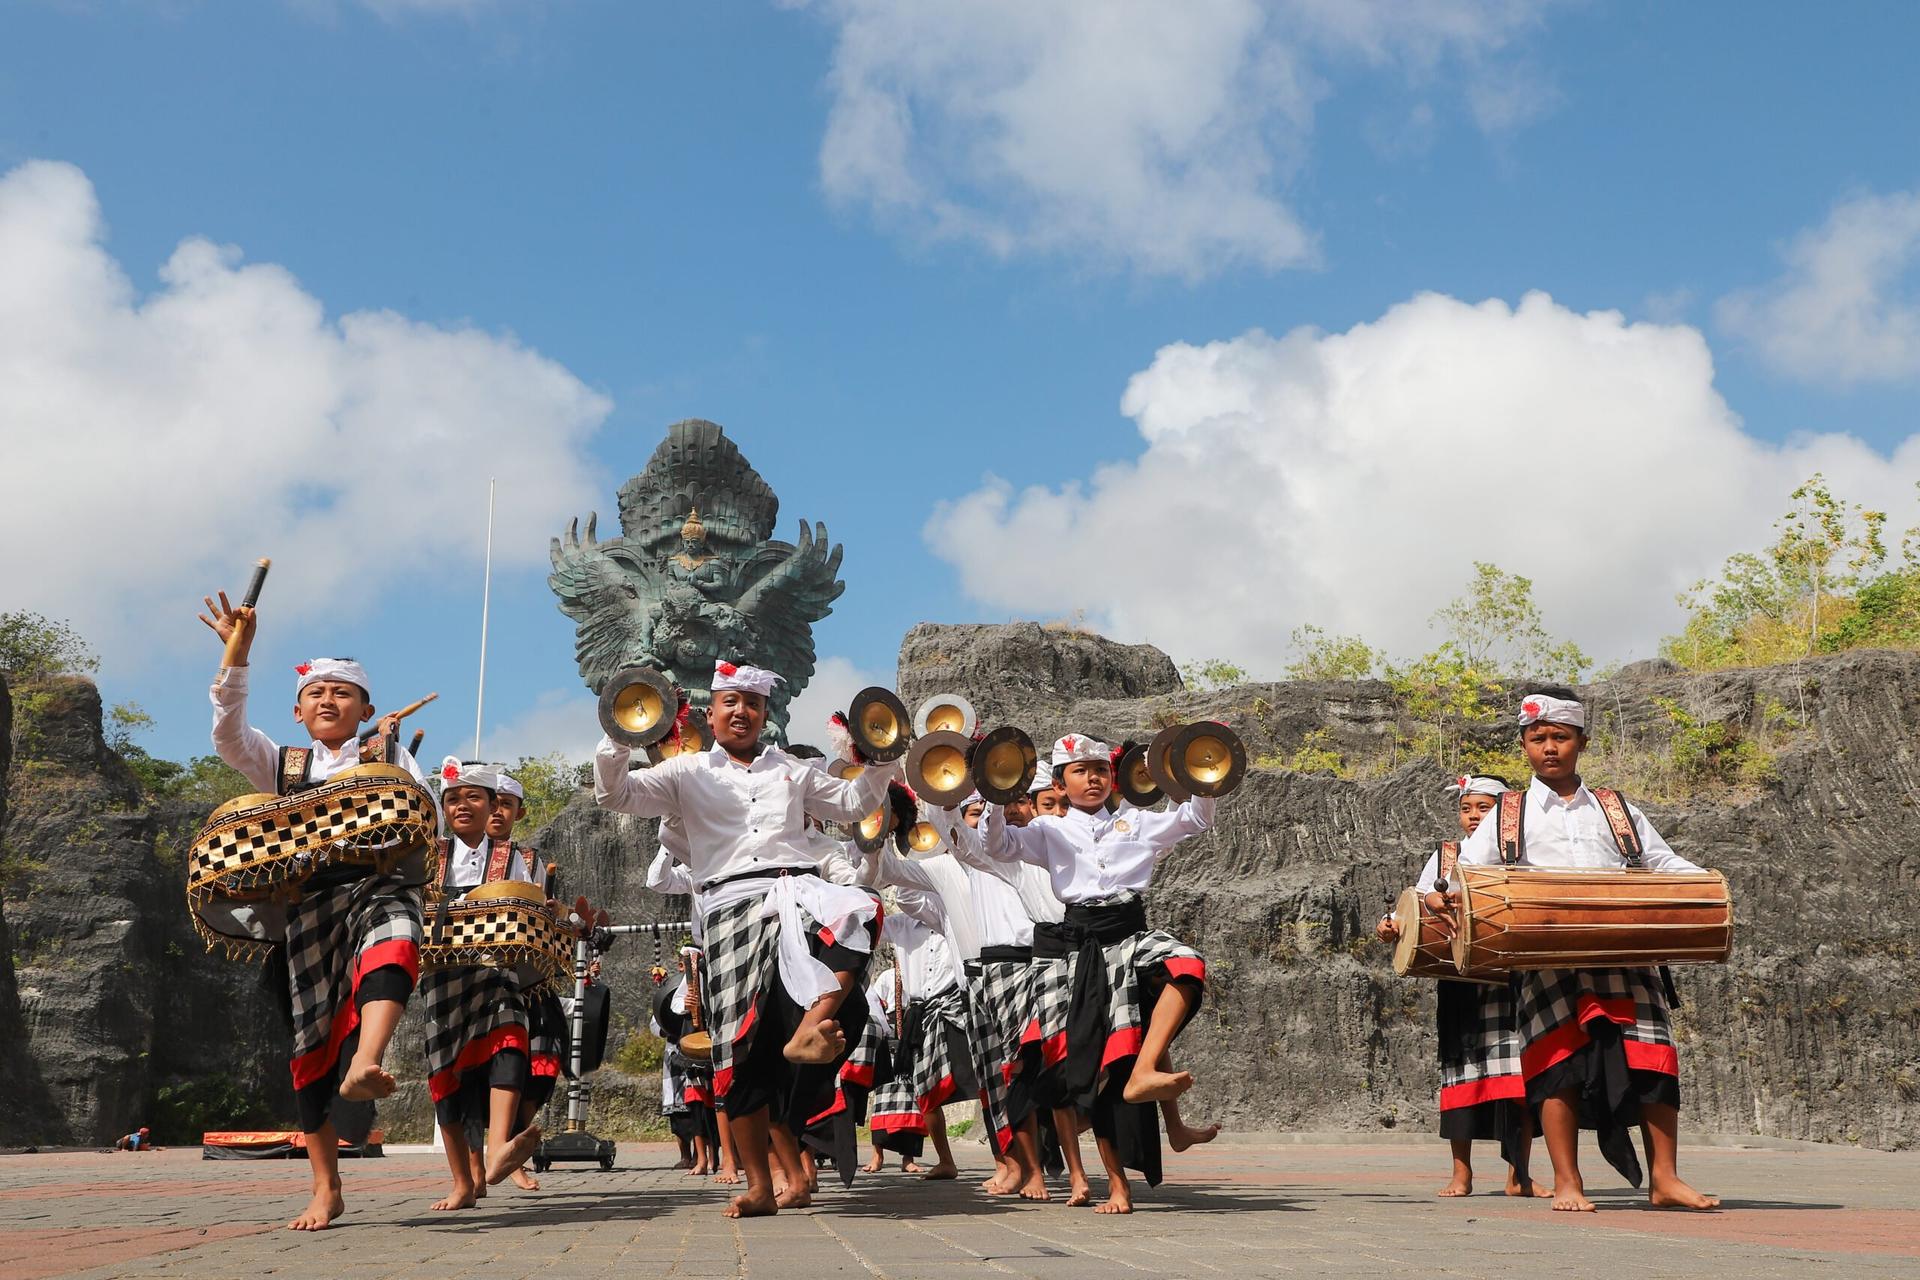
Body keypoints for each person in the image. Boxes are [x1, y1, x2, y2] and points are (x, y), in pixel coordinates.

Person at [593, 660, 902, 1218]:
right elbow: (615, 795)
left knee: (858, 911)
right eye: (731, 703)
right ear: (710, 714)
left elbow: (854, 804)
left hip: (795, 893)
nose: (742, 712)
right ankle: (761, 1186)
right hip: (728, 906)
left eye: (753, 704)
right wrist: (620, 736)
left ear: (765, 714)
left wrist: (880, 758)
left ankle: (809, 1029)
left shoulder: (791, 768)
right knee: (739, 1053)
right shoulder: (685, 771)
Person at [199, 592, 428, 1232]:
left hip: (377, 883)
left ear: (367, 710)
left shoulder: (389, 756)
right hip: (306, 905)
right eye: (316, 693)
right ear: (298, 712)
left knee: (396, 939)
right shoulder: (281, 764)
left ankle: (367, 1062)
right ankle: (326, 1186)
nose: (329, 700)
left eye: (343, 693)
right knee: (307, 1048)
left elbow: (422, 812)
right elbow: (227, 735)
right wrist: (237, 656)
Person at [1447, 691, 1719, 1214]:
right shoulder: (1507, 813)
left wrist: (1705, 884)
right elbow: (1469, 873)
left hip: (1624, 948)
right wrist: (1445, 895)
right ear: (1524, 746)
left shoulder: (1616, 808)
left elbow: (1661, 861)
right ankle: (1567, 1182)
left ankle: (1665, 1179)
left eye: (1561, 737)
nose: (1549, 747)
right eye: (1538, 738)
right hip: (1545, 954)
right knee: (1557, 1064)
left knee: (1654, 1056)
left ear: (1582, 743)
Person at [980, 734, 1219, 1214]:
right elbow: (999, 844)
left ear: (1112, 777)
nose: (1093, 778)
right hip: (1081, 949)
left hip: (1129, 933)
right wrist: (995, 795)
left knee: (1186, 963)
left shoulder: (1138, 821)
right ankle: (1116, 1186)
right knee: (1098, 1064)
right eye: (1080, 771)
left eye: (1100, 770)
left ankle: (1147, 1070)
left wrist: (1200, 775)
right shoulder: (1048, 829)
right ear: (1059, 784)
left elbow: (1195, 819)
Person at [1376, 774, 1546, 1199]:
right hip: (1460, 979)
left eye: (1483, 808)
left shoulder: (1520, 852)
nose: (1473, 816)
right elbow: (1416, 903)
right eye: (1466, 808)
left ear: (1503, 811)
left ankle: (1519, 1176)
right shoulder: (1445, 856)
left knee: (1519, 1078)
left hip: (1512, 977)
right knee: (1461, 1075)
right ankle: (1461, 1173)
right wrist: (1390, 924)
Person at [421, 760, 545, 1209]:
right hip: (440, 974)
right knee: (447, 1072)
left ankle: (498, 1150)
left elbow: (530, 911)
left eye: (473, 797)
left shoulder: (515, 858)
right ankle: (463, 1180)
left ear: (493, 805)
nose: (462, 805)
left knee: (510, 1041)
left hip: (496, 968)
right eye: (453, 798)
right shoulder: (426, 853)